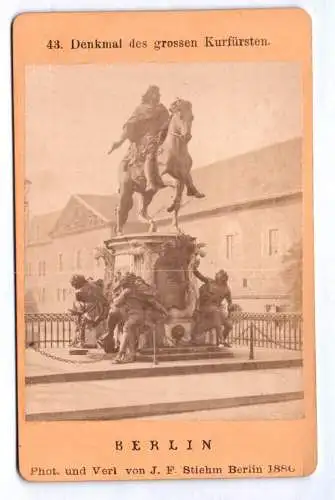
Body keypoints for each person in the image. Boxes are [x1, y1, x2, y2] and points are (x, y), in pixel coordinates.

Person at [108, 85, 170, 194]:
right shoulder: (140, 109)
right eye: (156, 94)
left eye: (159, 94)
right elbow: (129, 126)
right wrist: (119, 141)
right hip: (143, 141)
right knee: (147, 152)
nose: (158, 96)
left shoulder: (162, 109)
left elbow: (168, 123)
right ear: (150, 95)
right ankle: (149, 182)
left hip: (160, 138)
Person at [191, 263, 233, 347]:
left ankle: (223, 340)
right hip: (205, 307)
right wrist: (193, 267)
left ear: (222, 278)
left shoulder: (226, 289)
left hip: (215, 308)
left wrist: (230, 309)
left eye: (218, 274)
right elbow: (199, 275)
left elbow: (230, 302)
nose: (215, 275)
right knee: (216, 311)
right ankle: (221, 341)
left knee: (229, 325)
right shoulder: (210, 282)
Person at [69, 274, 109, 346]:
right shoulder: (82, 289)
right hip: (90, 310)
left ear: (79, 283)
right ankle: (82, 341)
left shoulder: (92, 287)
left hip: (96, 310)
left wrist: (103, 314)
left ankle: (90, 342)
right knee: (81, 321)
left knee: (87, 322)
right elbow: (80, 303)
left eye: (75, 285)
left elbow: (103, 301)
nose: (75, 287)